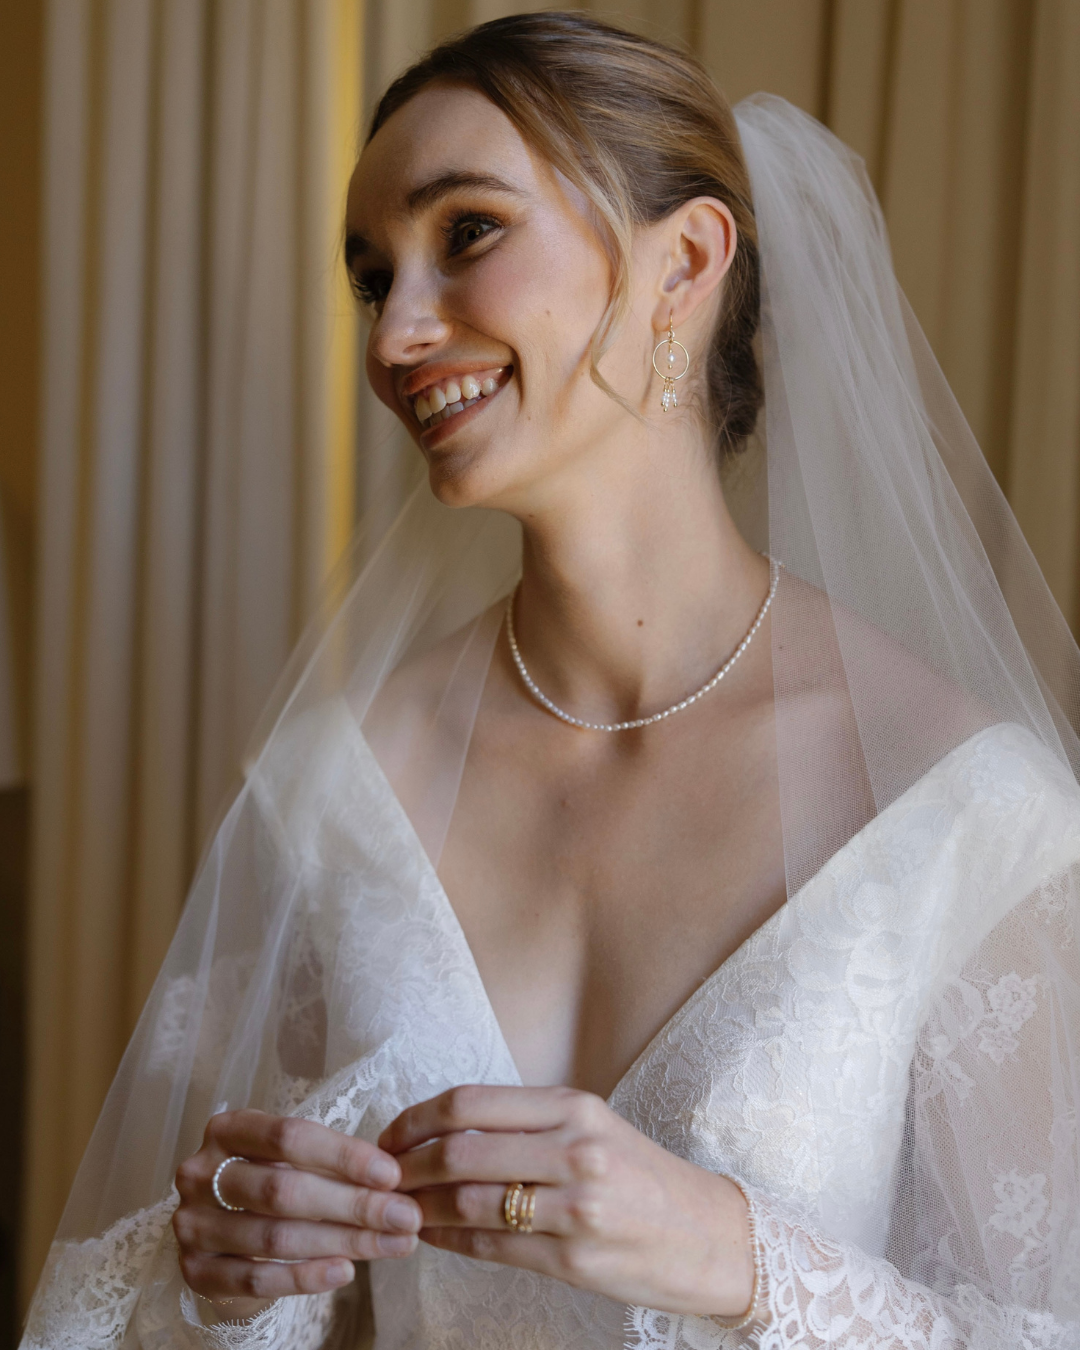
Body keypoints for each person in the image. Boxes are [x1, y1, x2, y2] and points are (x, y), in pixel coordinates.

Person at [22, 14, 1080, 1350]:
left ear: (683, 264)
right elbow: (243, 1295)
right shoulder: (341, 790)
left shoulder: (962, 813)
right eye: (370, 276)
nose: (399, 334)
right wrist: (222, 1270)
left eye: (466, 233)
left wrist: (735, 1252)